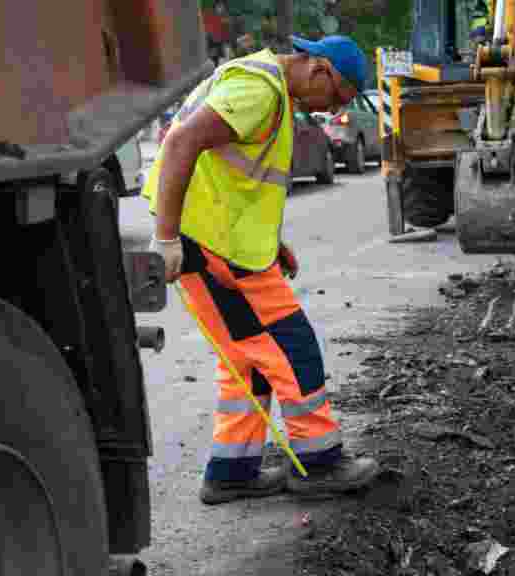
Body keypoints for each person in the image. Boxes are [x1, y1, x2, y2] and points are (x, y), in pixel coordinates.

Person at [141, 34, 381, 505]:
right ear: (319, 70)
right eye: (337, 98)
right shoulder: (260, 91)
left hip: (222, 244)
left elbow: (233, 180)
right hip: (215, 249)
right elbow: (182, 141)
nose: (331, 112)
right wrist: (166, 238)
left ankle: (233, 470)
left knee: (246, 359)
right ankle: (322, 463)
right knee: (293, 348)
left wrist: (270, 243)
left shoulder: (265, 85)